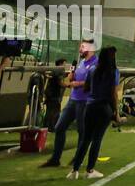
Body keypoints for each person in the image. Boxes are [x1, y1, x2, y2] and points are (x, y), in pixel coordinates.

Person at [67, 46, 121, 180]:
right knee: (97, 140)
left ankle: (74, 170)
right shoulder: (114, 71)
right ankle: (90, 170)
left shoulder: (92, 70)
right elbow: (114, 94)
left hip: (90, 106)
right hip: (104, 108)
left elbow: (86, 88)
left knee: (85, 139)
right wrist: (116, 112)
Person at [41, 41, 96, 169]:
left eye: (82, 47)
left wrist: (79, 83)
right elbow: (70, 79)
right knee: (59, 127)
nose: (80, 50)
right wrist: (71, 77)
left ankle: (78, 159)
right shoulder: (81, 63)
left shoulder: (96, 63)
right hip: (73, 100)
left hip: (85, 101)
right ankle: (55, 159)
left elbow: (94, 81)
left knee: (82, 131)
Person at [42, 59, 68, 130]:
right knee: (54, 111)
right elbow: (59, 82)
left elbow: (52, 77)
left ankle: (45, 126)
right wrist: (68, 85)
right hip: (54, 94)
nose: (65, 65)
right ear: (60, 64)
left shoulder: (54, 70)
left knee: (49, 110)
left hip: (49, 93)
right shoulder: (59, 70)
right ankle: (51, 127)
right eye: (64, 64)